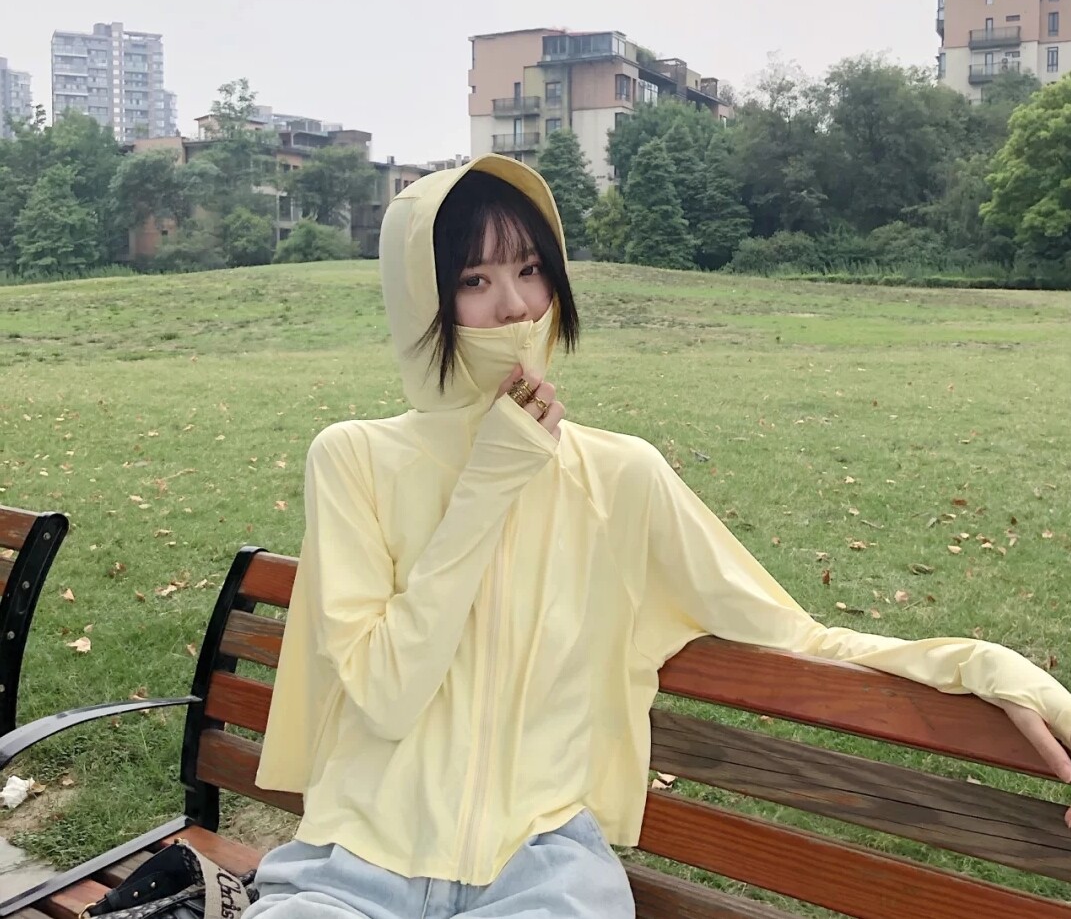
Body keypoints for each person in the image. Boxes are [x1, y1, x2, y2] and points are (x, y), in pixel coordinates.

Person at [250, 154, 1071, 919]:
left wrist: (978, 665)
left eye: (531, 270)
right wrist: (488, 483)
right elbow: (387, 694)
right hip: (351, 864)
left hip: (542, 871)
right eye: (474, 279)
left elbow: (791, 634)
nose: (517, 307)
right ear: (420, 299)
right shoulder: (353, 458)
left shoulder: (621, 476)